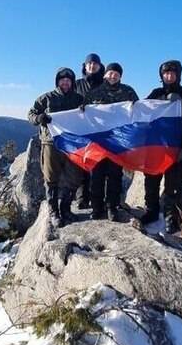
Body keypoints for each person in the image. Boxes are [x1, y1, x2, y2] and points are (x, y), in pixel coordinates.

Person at [141, 60, 182, 234]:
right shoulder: (155, 93)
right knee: (151, 182)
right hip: (156, 147)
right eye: (165, 73)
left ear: (178, 75)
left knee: (173, 184)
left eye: (172, 73)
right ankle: (151, 211)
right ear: (161, 76)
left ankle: (170, 218)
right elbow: (142, 114)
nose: (169, 76)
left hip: (177, 148)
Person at [28, 67, 84, 227]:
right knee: (51, 178)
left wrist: (84, 111)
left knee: (74, 177)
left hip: (72, 143)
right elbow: (31, 115)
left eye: (68, 80)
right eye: (62, 80)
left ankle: (66, 209)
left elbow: (88, 116)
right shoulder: (46, 98)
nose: (65, 82)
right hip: (51, 143)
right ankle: (54, 212)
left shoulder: (79, 99)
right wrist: (39, 117)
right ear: (57, 81)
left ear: (72, 82)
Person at [84, 62, 139, 221]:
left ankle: (112, 207)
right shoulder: (94, 93)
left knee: (115, 175)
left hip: (118, 142)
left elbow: (138, 111)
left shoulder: (128, 92)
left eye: (116, 73)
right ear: (104, 74)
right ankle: (96, 207)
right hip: (98, 142)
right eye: (110, 73)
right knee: (97, 175)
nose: (113, 76)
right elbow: (84, 113)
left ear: (120, 76)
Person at [73, 53, 104, 210]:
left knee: (99, 165)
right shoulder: (76, 84)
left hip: (101, 131)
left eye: (95, 64)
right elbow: (68, 100)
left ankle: (98, 198)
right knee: (82, 163)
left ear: (99, 66)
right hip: (81, 131)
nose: (92, 66)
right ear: (84, 66)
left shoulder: (105, 85)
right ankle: (82, 197)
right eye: (89, 64)